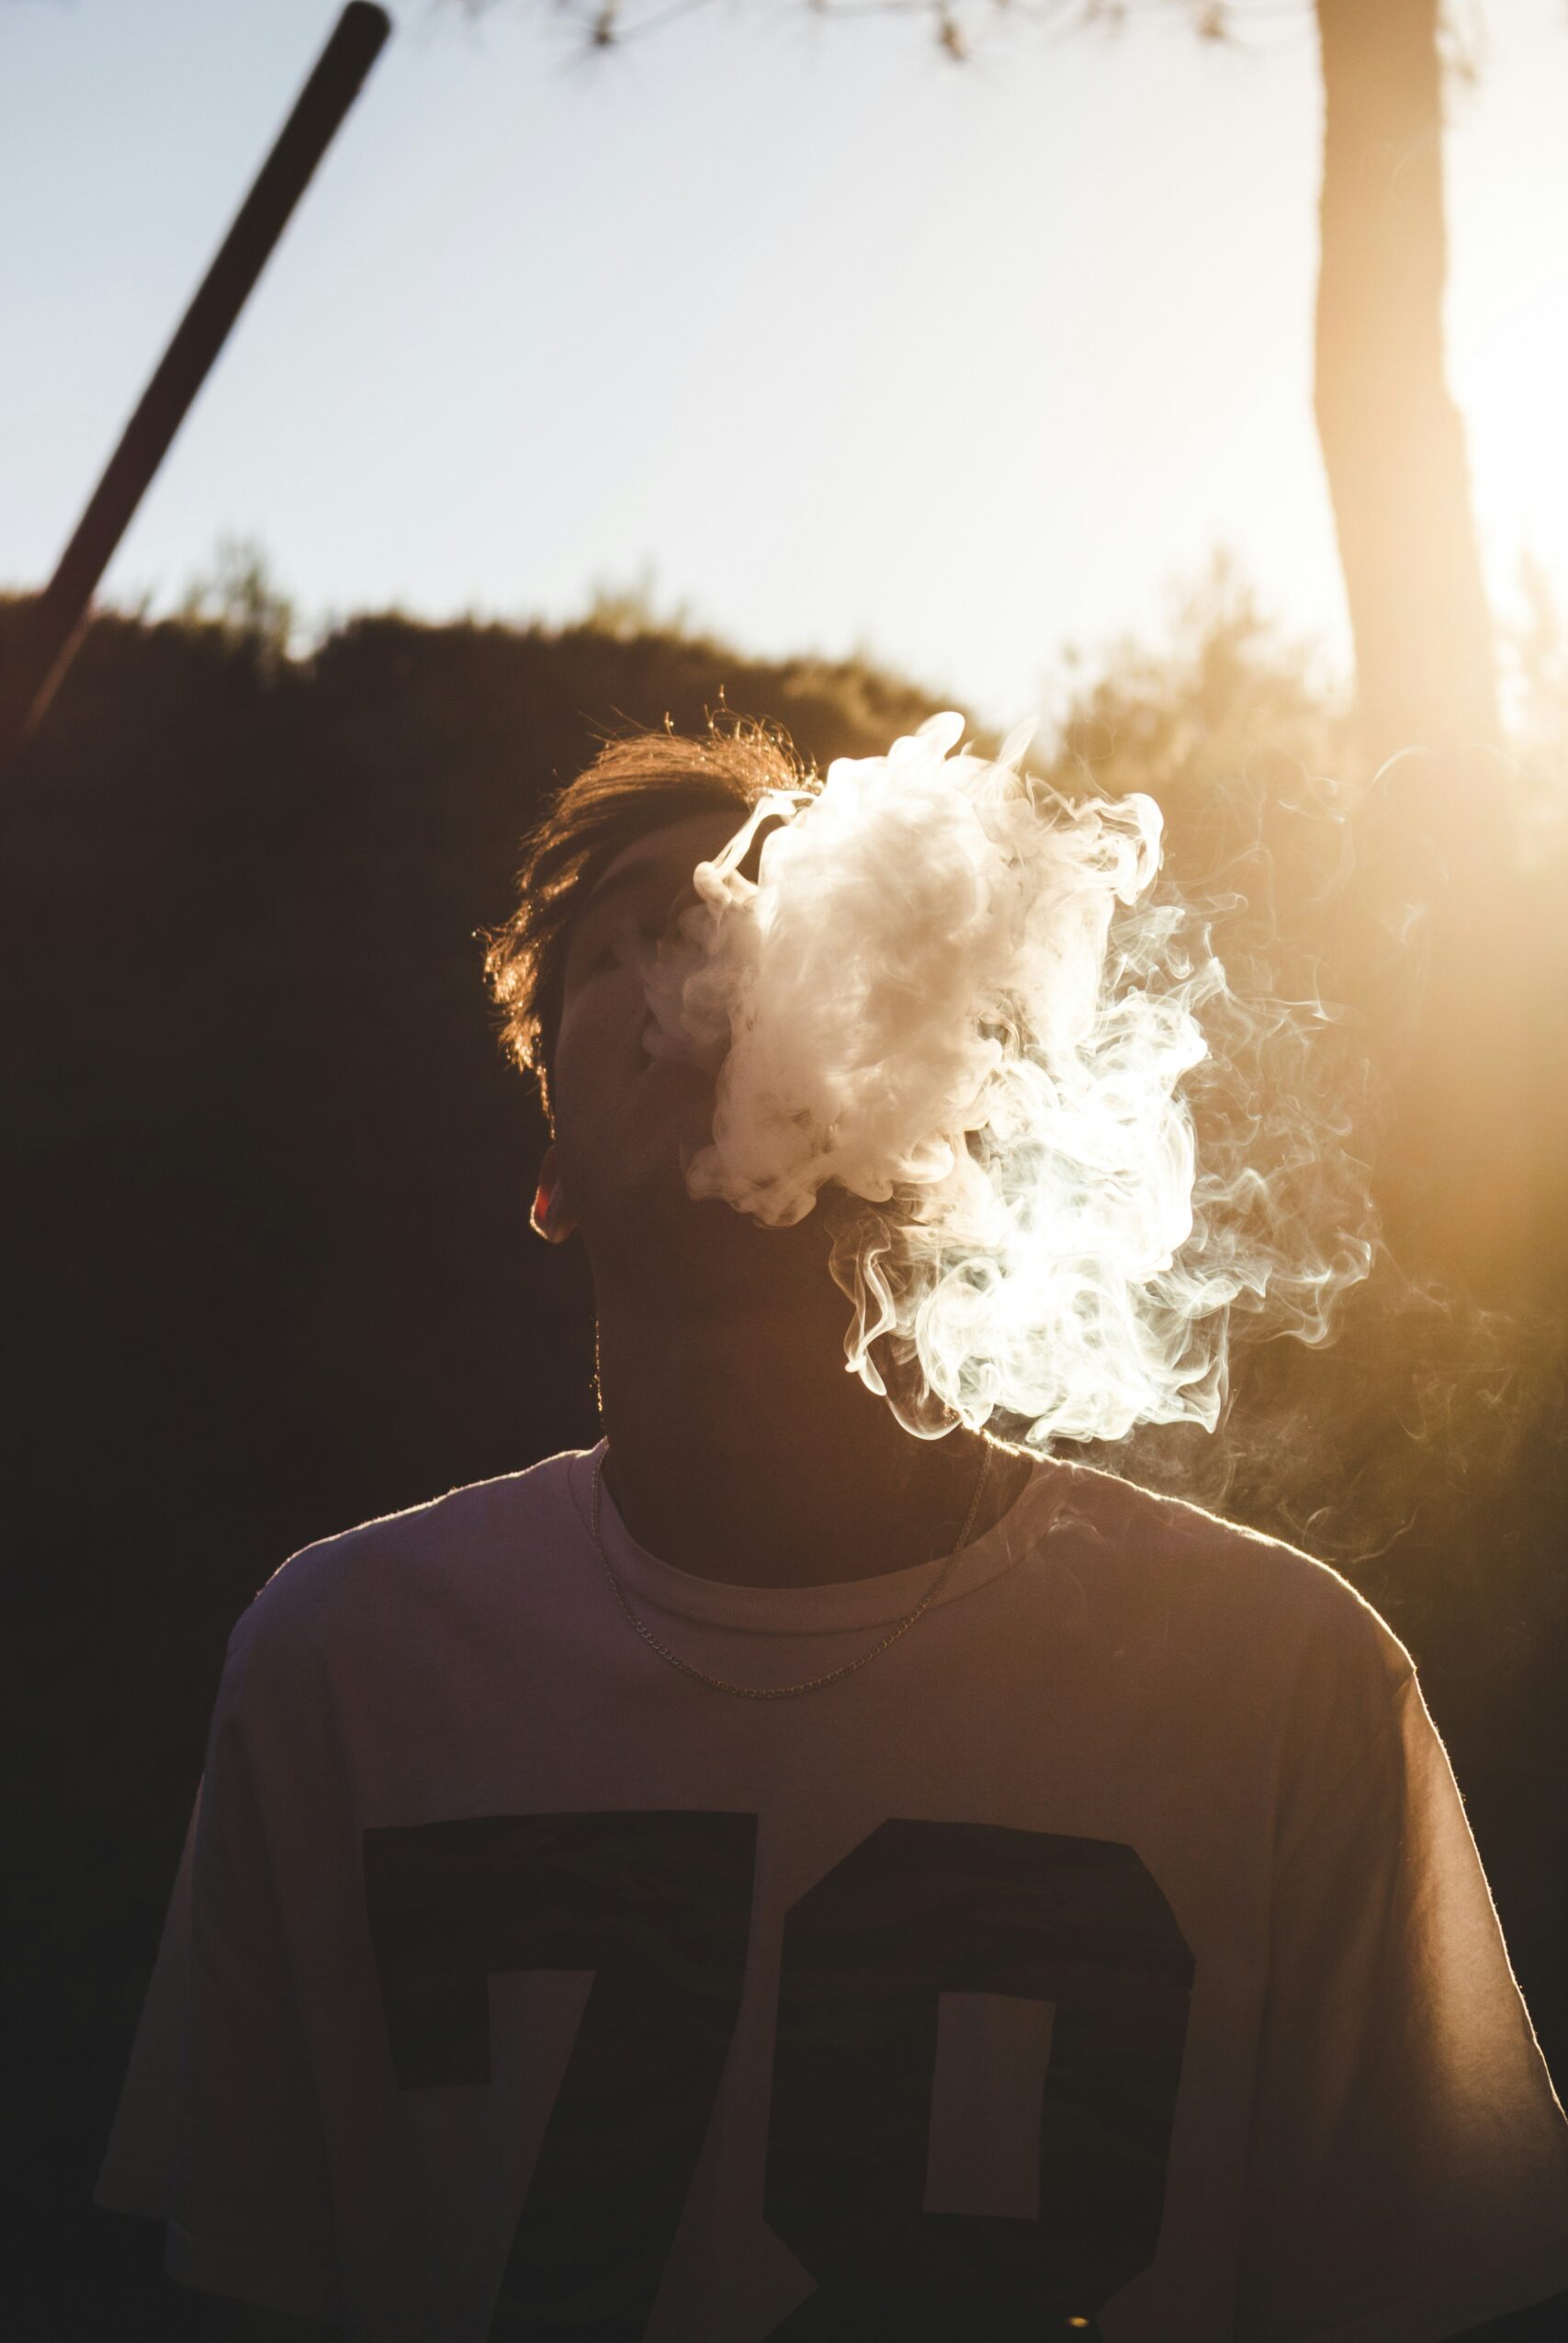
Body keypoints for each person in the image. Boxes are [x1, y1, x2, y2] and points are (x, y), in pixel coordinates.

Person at [97, 723, 1568, 2341]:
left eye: (773, 907)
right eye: (630, 940)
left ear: (938, 1099)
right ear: (553, 1176)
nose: (705, 963)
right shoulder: (347, 1666)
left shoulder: (1288, 1688)